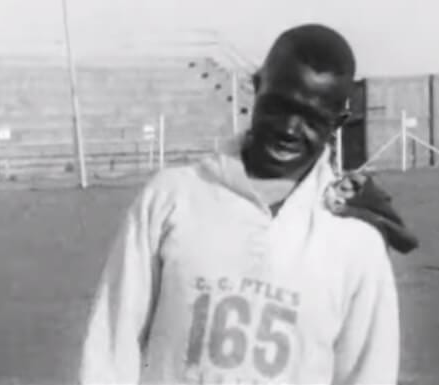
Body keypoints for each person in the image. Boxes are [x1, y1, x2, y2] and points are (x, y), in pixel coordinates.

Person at [80, 24, 400, 385]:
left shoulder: (356, 237)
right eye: (279, 107)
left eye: (312, 119)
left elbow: (368, 372)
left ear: (338, 122)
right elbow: (111, 342)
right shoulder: (172, 197)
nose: (291, 129)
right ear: (257, 85)